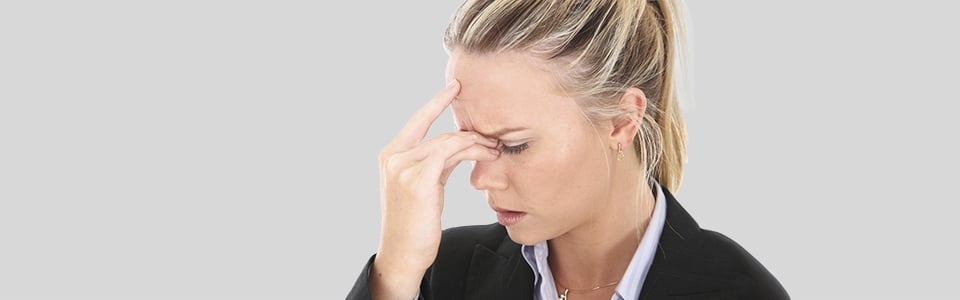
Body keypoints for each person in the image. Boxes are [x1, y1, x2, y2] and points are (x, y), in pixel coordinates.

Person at [348, 0, 788, 299]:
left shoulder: (738, 290)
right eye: (472, 142)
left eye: (514, 145)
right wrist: (395, 273)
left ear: (622, 121)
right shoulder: (443, 276)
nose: (480, 179)